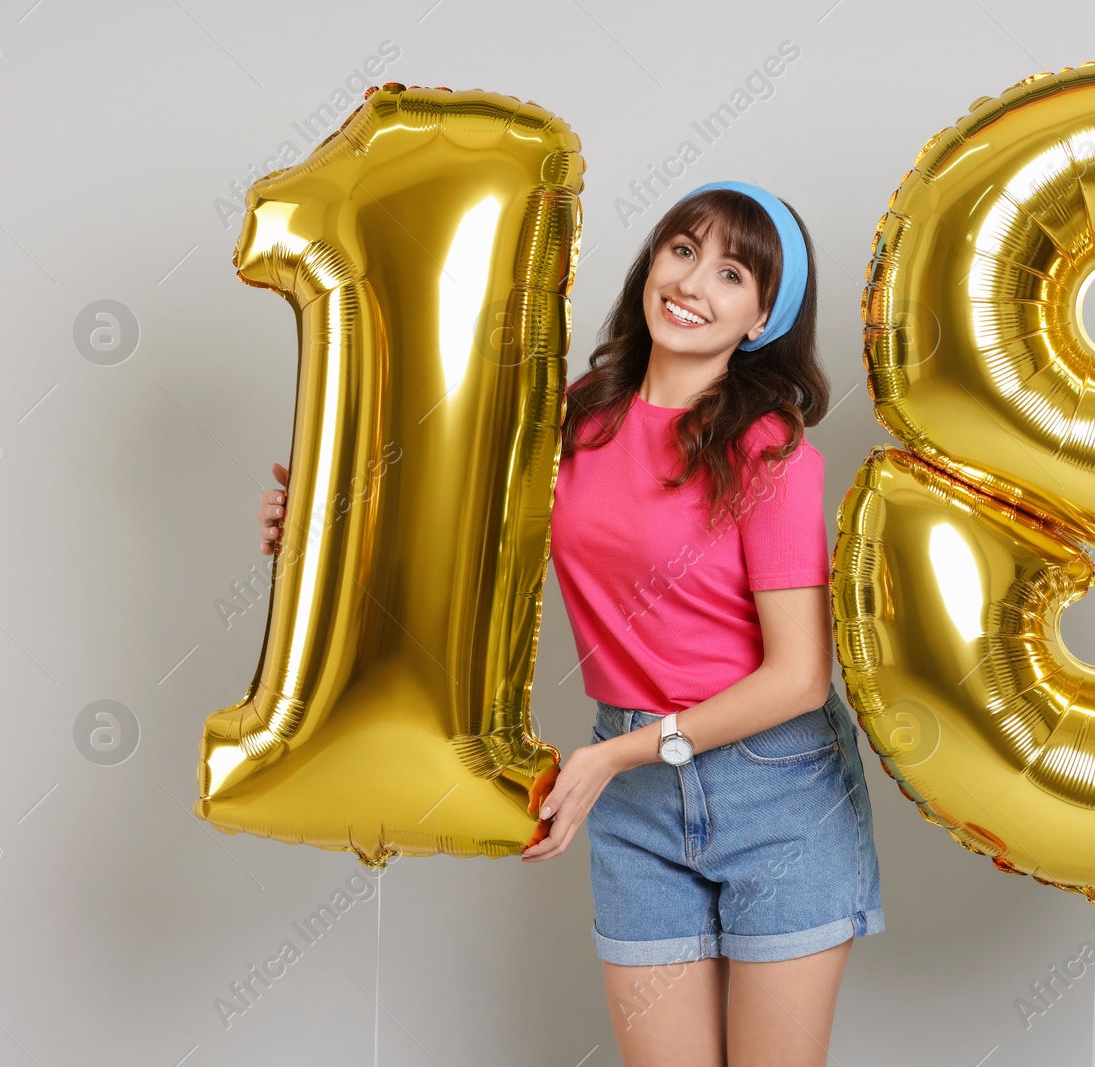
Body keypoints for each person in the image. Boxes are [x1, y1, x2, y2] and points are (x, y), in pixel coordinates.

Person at [254, 180, 885, 1067]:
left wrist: (617, 756)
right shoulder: (574, 417)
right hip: (633, 793)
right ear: (650, 263)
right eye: (682, 250)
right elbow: (453, 531)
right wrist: (327, 524)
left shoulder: (770, 452)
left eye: (732, 271)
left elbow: (799, 678)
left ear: (762, 317)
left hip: (774, 788)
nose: (694, 282)